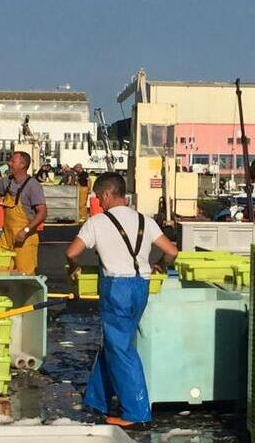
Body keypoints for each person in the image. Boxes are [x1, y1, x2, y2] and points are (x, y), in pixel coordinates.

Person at [65, 172, 178, 428]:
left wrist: (74, 267)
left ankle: (137, 413)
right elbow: (172, 251)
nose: (97, 202)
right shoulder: (144, 220)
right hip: (141, 287)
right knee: (116, 343)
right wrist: (159, 263)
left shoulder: (97, 222)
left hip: (116, 287)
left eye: (97, 196)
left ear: (106, 195)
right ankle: (97, 400)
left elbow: (71, 252)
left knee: (122, 349)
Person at [0, 151, 47, 275]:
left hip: (24, 240)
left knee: (25, 276)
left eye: (13, 161)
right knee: (0, 271)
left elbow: (42, 213)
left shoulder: (33, 186)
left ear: (22, 165)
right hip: (7, 237)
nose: (9, 163)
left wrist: (25, 231)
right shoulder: (7, 181)